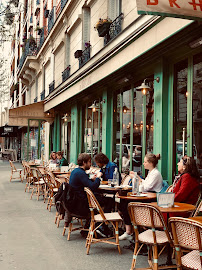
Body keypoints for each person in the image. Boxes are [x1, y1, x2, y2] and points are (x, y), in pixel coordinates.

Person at [119, 153, 163, 241]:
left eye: (145, 162)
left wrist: (137, 178)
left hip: (152, 199)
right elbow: (143, 185)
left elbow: (146, 187)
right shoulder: (151, 172)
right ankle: (130, 231)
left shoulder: (156, 174)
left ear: (150, 163)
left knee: (126, 204)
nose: (143, 163)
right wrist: (138, 179)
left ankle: (133, 231)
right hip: (146, 196)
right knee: (123, 203)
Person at [68, 153, 113, 237]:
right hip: (81, 205)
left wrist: (91, 179)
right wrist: (98, 177)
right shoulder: (81, 173)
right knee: (109, 201)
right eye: (89, 162)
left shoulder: (76, 171)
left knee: (101, 199)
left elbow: (85, 183)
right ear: (84, 163)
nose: (90, 164)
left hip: (75, 202)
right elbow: (92, 187)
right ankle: (102, 225)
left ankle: (94, 226)